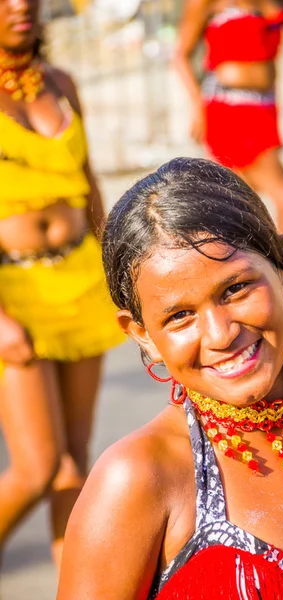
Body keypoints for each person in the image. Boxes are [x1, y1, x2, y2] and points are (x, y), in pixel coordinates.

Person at [57, 157, 283, 599]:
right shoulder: (138, 478)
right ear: (142, 334)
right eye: (180, 316)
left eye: (235, 288)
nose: (221, 334)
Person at [0, 0, 124, 566]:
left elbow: (89, 181)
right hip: (14, 293)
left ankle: (74, 585)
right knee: (37, 466)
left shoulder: (61, 83)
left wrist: (118, 265)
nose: (21, 4)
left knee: (75, 460)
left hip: (81, 277)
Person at [174, 0, 283, 324]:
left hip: (265, 106)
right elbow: (181, 54)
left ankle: (236, 292)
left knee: (239, 204)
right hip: (228, 104)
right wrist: (196, 107)